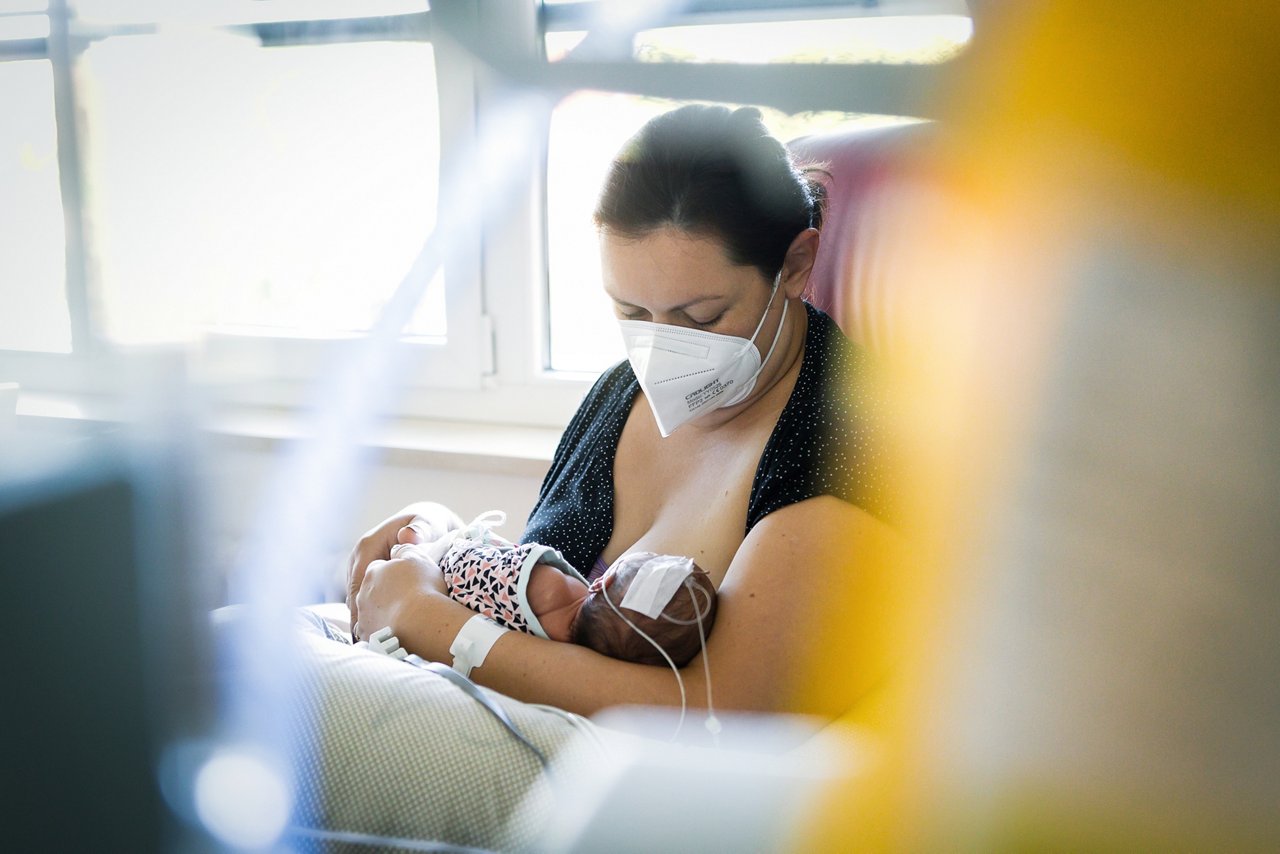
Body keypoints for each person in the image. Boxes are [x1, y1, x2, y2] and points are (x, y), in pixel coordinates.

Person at [349, 103, 900, 720]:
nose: (661, 349)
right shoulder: (619, 395)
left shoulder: (848, 445)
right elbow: (553, 599)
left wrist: (433, 623)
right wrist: (437, 538)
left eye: (701, 317)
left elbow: (720, 710)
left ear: (795, 266)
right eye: (632, 314)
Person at [397, 512, 718, 668]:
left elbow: (486, 568)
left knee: (449, 543)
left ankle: (419, 546)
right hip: (451, 616)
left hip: (445, 569)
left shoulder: (555, 588)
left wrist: (455, 546)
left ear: (602, 581)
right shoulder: (576, 652)